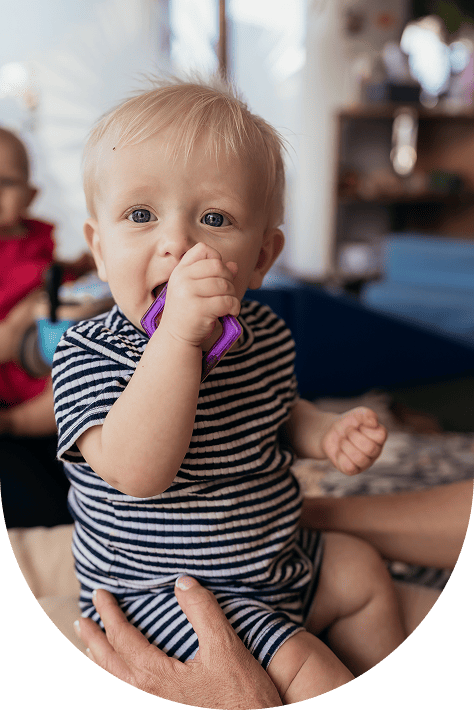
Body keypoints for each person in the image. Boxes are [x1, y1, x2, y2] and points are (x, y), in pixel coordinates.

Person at [52, 76, 405, 703]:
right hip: (168, 594)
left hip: (274, 558)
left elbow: (271, 411)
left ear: (262, 257)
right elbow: (136, 470)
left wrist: (325, 432)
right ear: (99, 250)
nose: (178, 244)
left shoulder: (262, 330)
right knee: (307, 666)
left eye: (215, 219)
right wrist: (177, 343)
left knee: (365, 572)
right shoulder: (89, 354)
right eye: (141, 215)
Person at [75, 479, 472, 707]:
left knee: (347, 590)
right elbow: (139, 471)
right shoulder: (97, 354)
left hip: (217, 565)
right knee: (347, 579)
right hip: (159, 581)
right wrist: (266, 519)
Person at [0, 126, 91, 528]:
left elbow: (50, 275)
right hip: (12, 371)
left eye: (4, 182)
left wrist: (80, 267)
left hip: (51, 340)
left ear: (30, 195)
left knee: (77, 389)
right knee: (55, 406)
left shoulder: (38, 235)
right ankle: (15, 424)